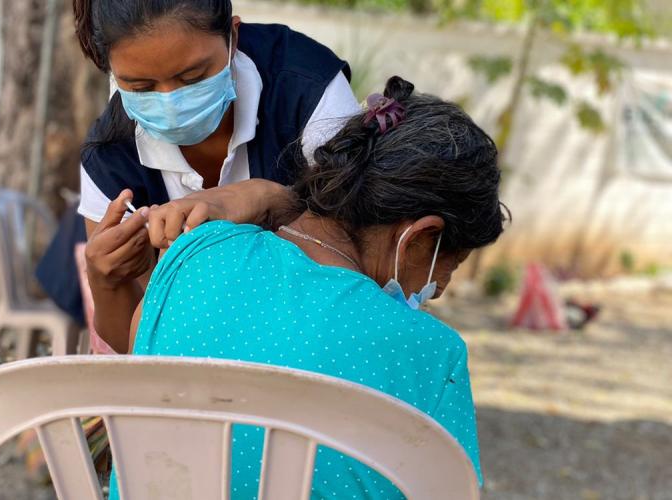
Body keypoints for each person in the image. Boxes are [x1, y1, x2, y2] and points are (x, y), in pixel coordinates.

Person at [108, 77, 507, 498]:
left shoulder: (193, 255)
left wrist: (264, 195)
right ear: (422, 235)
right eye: (450, 265)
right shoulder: (431, 351)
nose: (438, 289)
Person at [73, 0, 361, 352]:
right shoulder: (109, 159)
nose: (171, 102)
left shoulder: (307, 91)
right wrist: (107, 281)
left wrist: (267, 201)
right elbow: (136, 353)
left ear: (233, 38)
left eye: (192, 78)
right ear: (114, 74)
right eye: (141, 87)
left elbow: (363, 253)